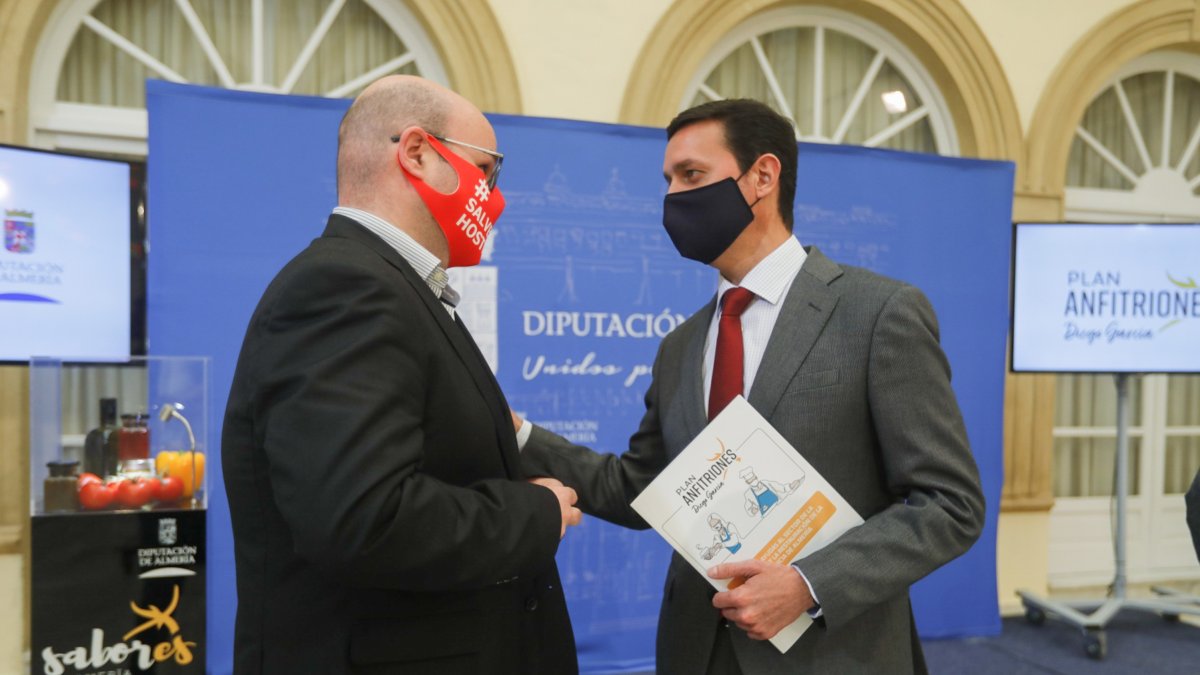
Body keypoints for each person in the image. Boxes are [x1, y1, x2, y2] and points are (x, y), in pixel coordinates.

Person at [515, 98, 985, 674]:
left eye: (692, 175)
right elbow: (642, 487)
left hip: (830, 656)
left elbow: (950, 504)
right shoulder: (680, 347)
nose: (672, 196)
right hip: (696, 649)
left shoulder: (878, 313)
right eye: (668, 180)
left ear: (762, 176)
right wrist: (518, 435)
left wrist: (809, 584)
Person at [222, 75, 581, 675]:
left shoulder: (390, 285)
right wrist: (534, 512)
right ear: (416, 152)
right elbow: (364, 519)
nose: (494, 198)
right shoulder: (346, 286)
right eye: (486, 170)